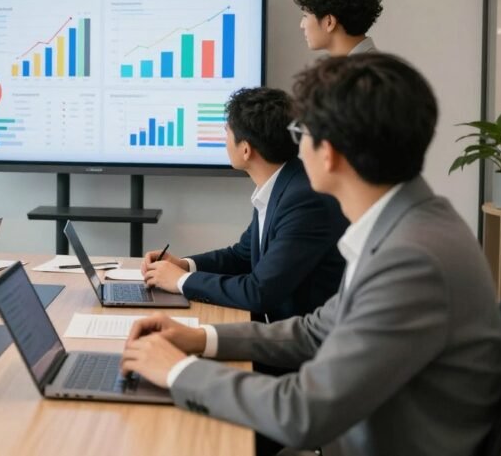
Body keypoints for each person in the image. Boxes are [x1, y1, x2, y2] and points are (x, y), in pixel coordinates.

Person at [121, 54, 501, 456]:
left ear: (330, 152)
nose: (294, 144)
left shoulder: (412, 259)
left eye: (300, 131)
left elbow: (303, 412)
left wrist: (178, 370)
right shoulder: (405, 226)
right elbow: (314, 331)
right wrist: (199, 338)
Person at [142, 87, 347, 323]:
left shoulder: (304, 200)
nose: (224, 139)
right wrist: (185, 266)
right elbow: (242, 256)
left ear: (246, 149)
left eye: (227, 132)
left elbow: (258, 292)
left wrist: (180, 281)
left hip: (298, 347)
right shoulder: (283, 184)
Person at [295, 0, 383, 56]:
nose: (301, 25)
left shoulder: (363, 69)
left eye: (305, 16)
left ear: (329, 22)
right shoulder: (373, 64)